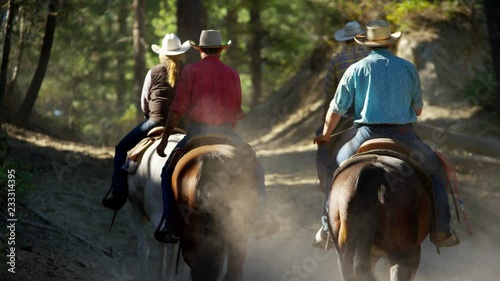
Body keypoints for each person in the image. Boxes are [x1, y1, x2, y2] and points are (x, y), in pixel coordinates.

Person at [313, 20, 459, 248]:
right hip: (403, 135)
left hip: (364, 134)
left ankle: (326, 228)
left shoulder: (355, 69)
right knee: (436, 171)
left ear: (368, 44)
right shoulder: (408, 67)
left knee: (335, 171)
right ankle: (441, 230)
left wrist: (325, 134)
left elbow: (335, 109)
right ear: (391, 42)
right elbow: (418, 109)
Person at [154, 30, 279, 244]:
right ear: (220, 50)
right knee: (256, 167)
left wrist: (166, 138)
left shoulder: (190, 71)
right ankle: (259, 217)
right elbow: (237, 111)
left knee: (167, 172)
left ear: (200, 49)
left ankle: (171, 223)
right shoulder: (232, 74)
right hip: (226, 132)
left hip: (196, 131)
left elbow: (178, 108)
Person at [102, 33, 190, 211]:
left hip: (155, 122)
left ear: (162, 54)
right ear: (181, 53)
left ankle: (119, 193)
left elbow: (144, 102)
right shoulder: (188, 72)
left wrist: (149, 117)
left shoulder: (153, 71)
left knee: (121, 148)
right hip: (182, 125)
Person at [315, 21, 370, 247]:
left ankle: (327, 213)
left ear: (345, 39)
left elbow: (330, 94)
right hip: (377, 118)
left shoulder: (337, 61)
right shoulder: (373, 58)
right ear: (363, 37)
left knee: (326, 159)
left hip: (346, 119)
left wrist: (324, 126)